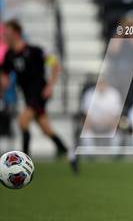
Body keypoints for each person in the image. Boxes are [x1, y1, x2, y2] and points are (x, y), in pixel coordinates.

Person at [0, 20, 76, 172]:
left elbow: (54, 63)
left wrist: (50, 85)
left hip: (40, 93)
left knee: (23, 121)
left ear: (15, 33)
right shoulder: (9, 55)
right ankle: (69, 153)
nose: (4, 35)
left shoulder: (34, 50)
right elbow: (5, 80)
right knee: (46, 129)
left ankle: (23, 163)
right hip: (28, 96)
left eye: (6, 32)